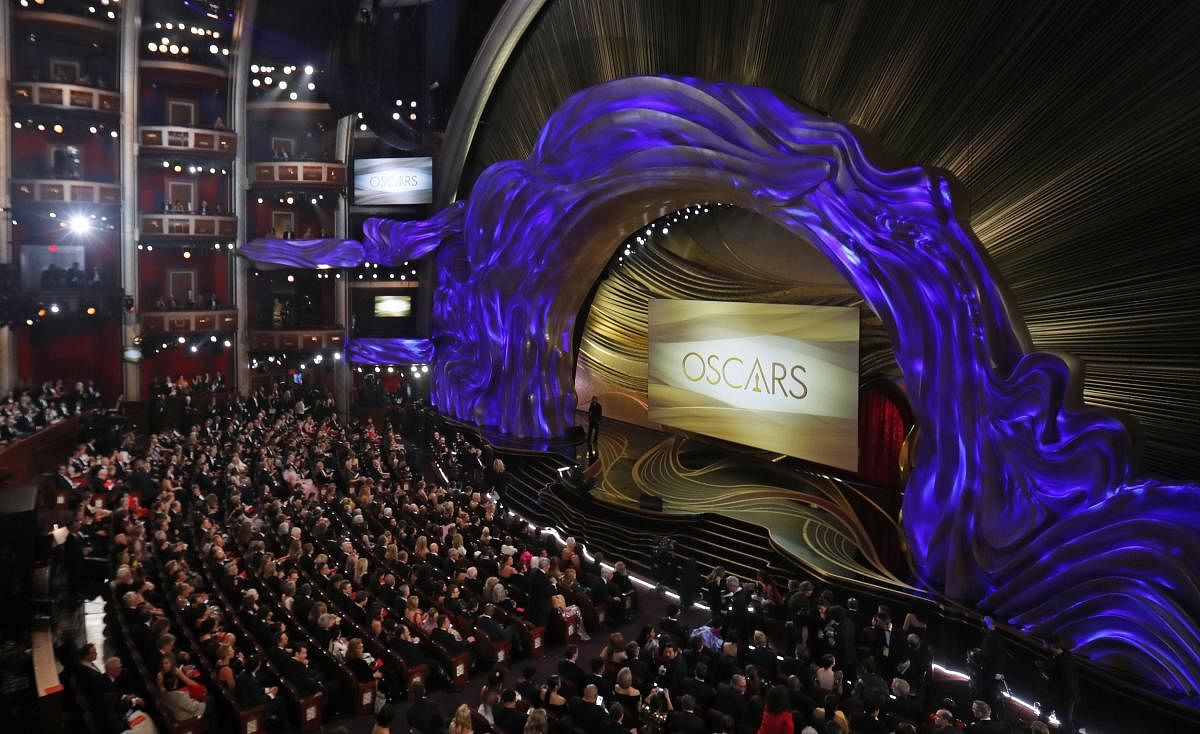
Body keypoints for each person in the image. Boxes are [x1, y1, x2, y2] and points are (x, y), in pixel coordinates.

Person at [1041, 636, 1079, 734]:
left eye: (1044, 644)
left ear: (1052, 646)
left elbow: (1068, 681)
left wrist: (1048, 678)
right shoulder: (1056, 656)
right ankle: (1039, 728)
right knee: (1045, 711)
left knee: (1065, 719)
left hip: (1065, 696)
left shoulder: (1065, 663)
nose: (1043, 646)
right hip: (1056, 693)